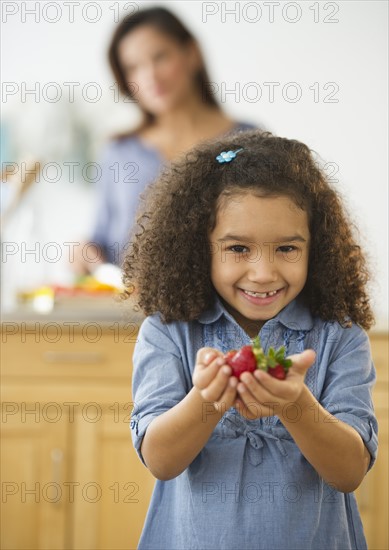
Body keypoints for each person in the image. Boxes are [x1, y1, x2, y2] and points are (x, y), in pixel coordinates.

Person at [124, 129, 378, 550]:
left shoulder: (341, 336)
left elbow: (349, 472)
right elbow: (161, 460)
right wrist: (206, 401)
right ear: (198, 248)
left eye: (287, 249)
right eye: (239, 248)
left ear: (316, 249)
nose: (263, 273)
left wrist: (295, 405)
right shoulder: (168, 331)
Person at [78, 6, 254, 273]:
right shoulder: (120, 151)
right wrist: (86, 255)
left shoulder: (248, 141)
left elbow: (267, 234)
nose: (150, 76)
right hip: (126, 309)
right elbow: (100, 240)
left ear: (192, 54)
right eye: (133, 67)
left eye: (160, 57)